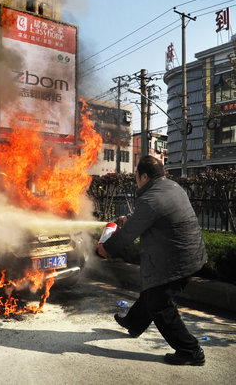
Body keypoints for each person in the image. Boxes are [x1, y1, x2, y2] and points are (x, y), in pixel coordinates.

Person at [96, 155, 208, 366]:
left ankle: (190, 350)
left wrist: (106, 250)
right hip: (190, 254)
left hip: (178, 261)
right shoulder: (171, 186)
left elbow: (127, 235)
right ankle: (134, 323)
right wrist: (130, 218)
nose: (136, 180)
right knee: (151, 290)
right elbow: (153, 214)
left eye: (137, 176)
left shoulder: (150, 199)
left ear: (144, 176)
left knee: (160, 304)